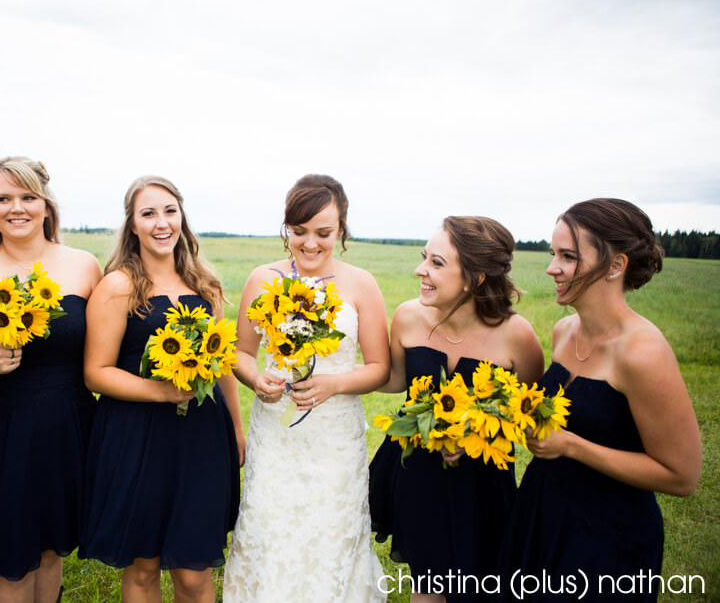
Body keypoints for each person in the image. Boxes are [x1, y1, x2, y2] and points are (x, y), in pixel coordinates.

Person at [497, 198, 701, 602]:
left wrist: (571, 446)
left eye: (568, 257)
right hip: (541, 512)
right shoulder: (564, 331)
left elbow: (682, 476)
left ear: (615, 266)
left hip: (605, 535)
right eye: (554, 254)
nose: (552, 267)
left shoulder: (643, 353)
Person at [222, 174, 390, 602]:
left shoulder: (360, 284)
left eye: (323, 233)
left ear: (343, 229)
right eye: (298, 232)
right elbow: (240, 354)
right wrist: (257, 379)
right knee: (270, 527)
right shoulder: (262, 279)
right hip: (276, 436)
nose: (309, 243)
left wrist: (335, 383)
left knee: (332, 534)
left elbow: (379, 367)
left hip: (335, 439)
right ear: (286, 229)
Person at [0, 156, 102, 603]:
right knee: (11, 561)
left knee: (51, 551)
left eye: (28, 197)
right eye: (4, 198)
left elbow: (106, 350)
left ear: (47, 206)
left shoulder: (84, 267)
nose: (17, 208)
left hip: (66, 428)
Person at [80, 175, 243, 603]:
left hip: (201, 437)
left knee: (193, 572)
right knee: (144, 567)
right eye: (148, 213)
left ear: (182, 217)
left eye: (169, 210)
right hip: (137, 437)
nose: (161, 222)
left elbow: (222, 363)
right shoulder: (119, 286)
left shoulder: (204, 284)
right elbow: (95, 373)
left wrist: (238, 433)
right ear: (132, 225)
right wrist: (161, 392)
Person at [368, 216, 545, 603]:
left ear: (476, 277)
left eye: (436, 263)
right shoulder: (408, 316)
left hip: (480, 483)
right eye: (424, 258)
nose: (421, 270)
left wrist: (482, 434)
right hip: (419, 474)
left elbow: (531, 414)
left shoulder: (517, 335)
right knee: (427, 587)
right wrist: (334, 366)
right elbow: (393, 379)